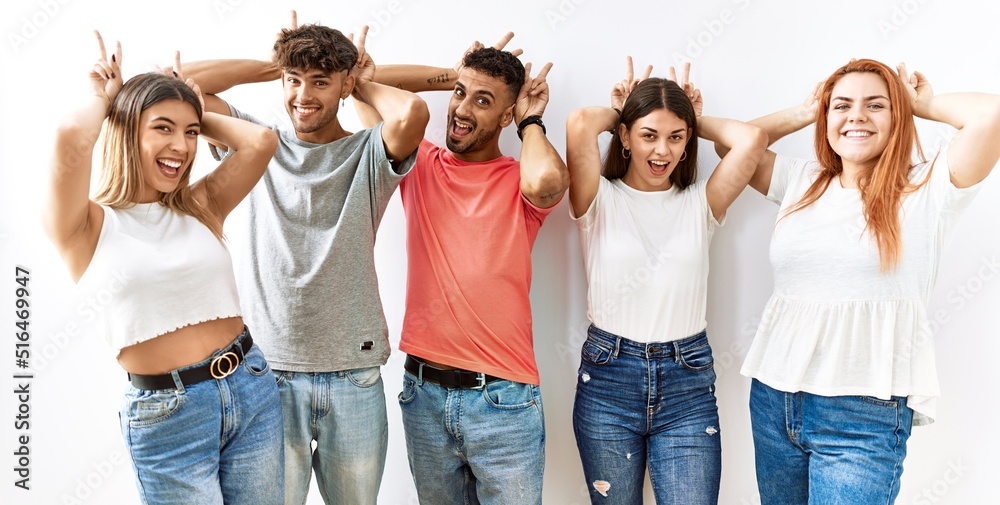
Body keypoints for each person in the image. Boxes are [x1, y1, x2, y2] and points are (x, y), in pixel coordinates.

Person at [722, 58, 1000, 503]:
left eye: (876, 105)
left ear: (898, 118)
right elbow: (735, 146)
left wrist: (921, 103)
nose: (856, 116)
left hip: (863, 412)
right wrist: (806, 110)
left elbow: (991, 115)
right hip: (775, 398)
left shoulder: (928, 187)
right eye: (842, 106)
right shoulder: (802, 181)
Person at [184, 12, 429, 505]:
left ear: (343, 85)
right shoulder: (256, 143)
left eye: (320, 81)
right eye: (294, 81)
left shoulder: (370, 153)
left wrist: (363, 82)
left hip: (353, 375)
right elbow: (184, 88)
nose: (303, 95)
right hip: (266, 373)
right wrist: (274, 63)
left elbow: (413, 114)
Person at [43, 33, 282, 504]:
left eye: (191, 132)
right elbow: (70, 136)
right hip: (168, 418)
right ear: (128, 128)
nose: (182, 146)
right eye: (163, 128)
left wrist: (191, 103)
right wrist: (106, 99)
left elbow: (259, 142)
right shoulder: (86, 226)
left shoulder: (200, 205)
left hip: (251, 388)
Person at [359, 34, 569, 504]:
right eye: (460, 94)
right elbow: (364, 86)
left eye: (483, 101)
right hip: (423, 396)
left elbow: (549, 183)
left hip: (504, 401)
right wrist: (451, 75)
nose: (463, 109)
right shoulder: (422, 164)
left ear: (506, 115)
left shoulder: (519, 178)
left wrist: (530, 120)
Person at [564, 59, 766, 504]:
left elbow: (751, 140)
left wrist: (694, 117)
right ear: (624, 136)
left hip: (687, 381)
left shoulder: (701, 202)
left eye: (676, 137)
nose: (662, 151)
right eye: (648, 135)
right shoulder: (599, 198)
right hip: (609, 378)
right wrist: (623, 110)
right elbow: (579, 123)